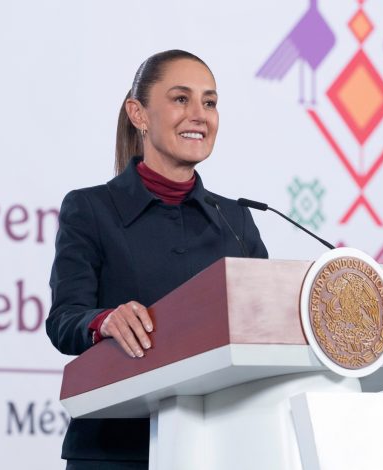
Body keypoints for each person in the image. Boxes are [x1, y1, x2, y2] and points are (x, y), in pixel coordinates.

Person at [46, 49, 268, 470]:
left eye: (210, 102)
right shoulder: (90, 209)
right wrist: (104, 321)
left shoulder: (238, 220)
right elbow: (63, 320)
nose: (199, 114)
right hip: (117, 450)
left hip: (222, 447)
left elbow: (265, 326)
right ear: (139, 114)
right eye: (181, 99)